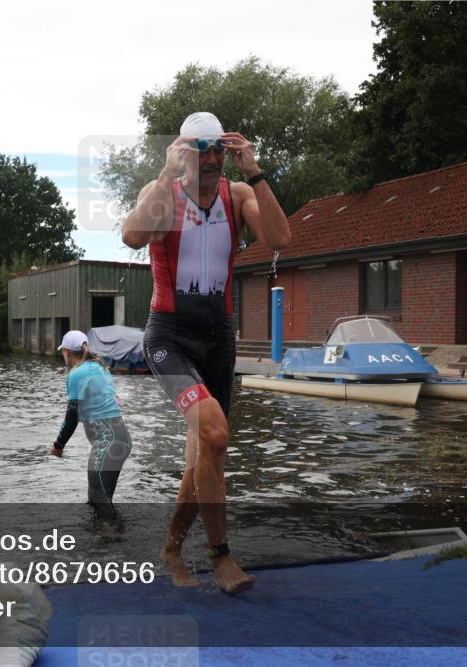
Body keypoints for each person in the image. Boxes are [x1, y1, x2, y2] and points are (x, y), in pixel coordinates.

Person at [120, 112, 291, 594]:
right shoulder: (164, 195)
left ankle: (172, 548)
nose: (213, 159)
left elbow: (279, 239)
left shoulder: (238, 196)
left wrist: (254, 170)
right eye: (202, 149)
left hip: (217, 337)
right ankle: (221, 556)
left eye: (219, 149)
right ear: (184, 152)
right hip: (169, 337)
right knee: (215, 432)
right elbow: (133, 236)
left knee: (207, 450)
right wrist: (163, 173)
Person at [49, 330, 132, 522]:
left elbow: (71, 417)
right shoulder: (99, 366)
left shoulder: (76, 374)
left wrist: (58, 446)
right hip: (122, 439)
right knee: (102, 498)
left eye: (63, 352)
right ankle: (104, 536)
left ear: (67, 352)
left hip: (107, 442)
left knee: (97, 497)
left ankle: (112, 538)